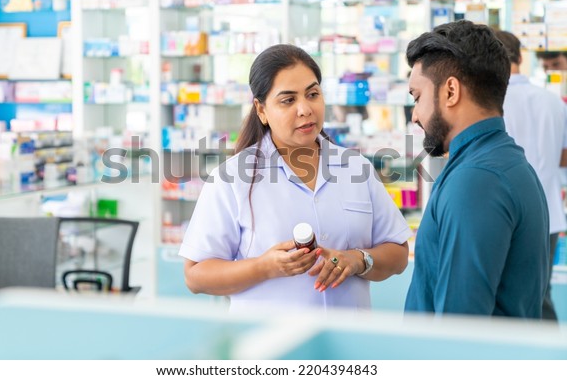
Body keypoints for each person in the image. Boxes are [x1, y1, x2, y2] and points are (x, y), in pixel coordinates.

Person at [179, 44, 410, 312]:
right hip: (269, 347)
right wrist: (263, 267)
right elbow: (195, 276)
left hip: (349, 346)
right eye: (288, 100)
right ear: (261, 110)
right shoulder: (232, 178)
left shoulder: (355, 167)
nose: (305, 109)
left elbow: (398, 253)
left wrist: (359, 260)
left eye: (312, 94)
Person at [404, 21, 550, 318]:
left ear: (451, 91)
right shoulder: (503, 162)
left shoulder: (477, 181)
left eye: (417, 97)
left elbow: (461, 328)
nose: (415, 117)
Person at [496, 30, 567, 321]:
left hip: (508, 216)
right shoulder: (553, 101)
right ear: (521, 57)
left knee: (507, 298)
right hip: (550, 211)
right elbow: (564, 156)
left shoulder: (492, 102)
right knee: (541, 296)